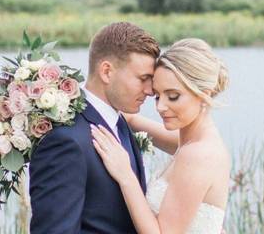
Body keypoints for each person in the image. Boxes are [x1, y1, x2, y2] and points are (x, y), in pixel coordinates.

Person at [29, 22, 161, 233]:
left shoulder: (120, 125)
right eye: (143, 79)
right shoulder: (66, 141)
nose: (150, 90)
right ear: (107, 71)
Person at [91, 38, 230, 234]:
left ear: (203, 95)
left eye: (173, 96)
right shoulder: (190, 141)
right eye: (157, 95)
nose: (160, 106)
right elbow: (131, 119)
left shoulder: (198, 155)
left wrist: (126, 176)